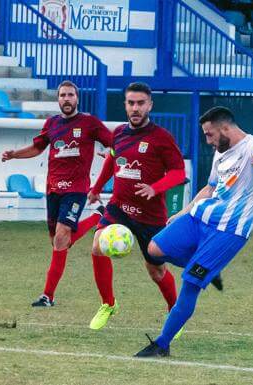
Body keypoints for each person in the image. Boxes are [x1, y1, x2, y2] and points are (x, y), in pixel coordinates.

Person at [134, 106, 253, 357]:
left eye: (210, 135)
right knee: (154, 249)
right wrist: (183, 212)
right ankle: (208, 270)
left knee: (189, 284)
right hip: (200, 218)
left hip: (228, 232)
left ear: (225, 128)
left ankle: (162, 344)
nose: (207, 140)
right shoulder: (220, 155)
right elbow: (209, 189)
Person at [2, 80, 112, 307]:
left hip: (77, 188)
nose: (67, 99)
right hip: (53, 189)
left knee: (62, 236)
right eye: (62, 95)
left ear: (77, 98)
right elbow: (37, 147)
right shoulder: (52, 123)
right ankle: (97, 217)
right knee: (58, 242)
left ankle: (47, 296)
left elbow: (114, 143)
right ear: (58, 99)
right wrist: (14, 154)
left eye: (71, 95)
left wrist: (111, 156)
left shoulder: (89, 123)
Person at [86, 82, 186, 330]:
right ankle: (108, 304)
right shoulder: (118, 133)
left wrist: (156, 188)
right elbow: (112, 160)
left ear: (150, 105)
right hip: (119, 206)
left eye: (141, 103)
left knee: (156, 272)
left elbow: (178, 172)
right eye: (131, 103)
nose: (136, 108)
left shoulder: (161, 138)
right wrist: (97, 188)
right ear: (125, 105)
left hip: (150, 216)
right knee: (97, 246)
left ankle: (175, 312)